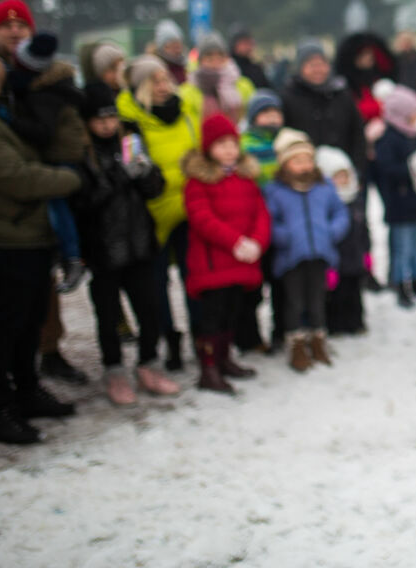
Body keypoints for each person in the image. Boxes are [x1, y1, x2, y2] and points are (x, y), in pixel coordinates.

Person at [0, 30, 82, 444]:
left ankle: (27, 391)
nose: (3, 64)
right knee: (3, 326)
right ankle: (0, 411)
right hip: (6, 236)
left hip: (28, 232)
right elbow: (17, 177)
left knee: (29, 321)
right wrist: (69, 179)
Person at [73, 82, 181, 404]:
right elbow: (84, 199)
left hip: (139, 243)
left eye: (111, 118)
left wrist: (146, 174)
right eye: (99, 119)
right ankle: (114, 370)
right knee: (108, 316)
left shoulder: (131, 141)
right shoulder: (82, 152)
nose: (107, 125)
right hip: (103, 249)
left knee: (149, 309)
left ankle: (149, 364)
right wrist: (119, 177)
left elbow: (154, 190)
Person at [117, 55, 202, 371]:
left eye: (166, 79)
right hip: (151, 213)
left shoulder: (187, 112)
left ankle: (200, 334)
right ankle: (170, 338)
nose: (163, 87)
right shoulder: (130, 121)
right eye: (155, 81)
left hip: (190, 208)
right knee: (156, 284)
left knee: (194, 276)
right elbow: (132, 166)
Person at [181, 113, 270, 394]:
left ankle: (224, 358)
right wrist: (235, 242)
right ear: (208, 148)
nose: (229, 149)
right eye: (221, 144)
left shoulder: (246, 179)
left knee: (233, 312)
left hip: (242, 260)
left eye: (233, 143)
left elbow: (261, 214)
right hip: (214, 263)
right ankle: (208, 368)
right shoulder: (198, 182)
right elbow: (201, 218)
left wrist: (257, 242)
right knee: (213, 316)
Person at [9, 32, 88, 296]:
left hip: (60, 157)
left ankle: (72, 258)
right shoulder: (59, 83)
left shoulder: (44, 94)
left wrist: (10, 121)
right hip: (69, 153)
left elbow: (43, 132)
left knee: (58, 208)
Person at [264, 129, 349, 370]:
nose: (304, 165)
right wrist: (285, 237)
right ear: (285, 164)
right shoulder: (276, 191)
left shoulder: (324, 187)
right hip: (291, 256)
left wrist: (331, 232)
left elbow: (340, 212)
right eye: (297, 160)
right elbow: (271, 221)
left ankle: (318, 340)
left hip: (320, 253)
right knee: (294, 301)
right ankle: (296, 344)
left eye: (307, 159)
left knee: (317, 299)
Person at [374, 84, 416, 308]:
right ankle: (400, 284)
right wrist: (411, 169)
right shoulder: (389, 137)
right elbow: (385, 169)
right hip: (399, 201)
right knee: (402, 248)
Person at [238, 89, 284, 352]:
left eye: (275, 112)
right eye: (265, 113)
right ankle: (249, 337)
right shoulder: (244, 144)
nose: (271, 118)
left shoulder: (287, 142)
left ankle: (281, 331)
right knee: (253, 286)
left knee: (280, 284)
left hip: (281, 223)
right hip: (254, 224)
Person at [280, 39, 367, 177]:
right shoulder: (289, 96)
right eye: (312, 65)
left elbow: (357, 132)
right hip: (305, 173)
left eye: (322, 64)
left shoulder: (341, 93)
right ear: (300, 67)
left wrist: (358, 167)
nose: (318, 70)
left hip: (343, 172)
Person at [315, 145, 371, 335]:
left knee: (354, 292)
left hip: (355, 256)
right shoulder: (327, 203)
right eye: (336, 177)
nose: (342, 181)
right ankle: (336, 325)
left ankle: (356, 322)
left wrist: (367, 253)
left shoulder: (356, 200)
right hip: (336, 260)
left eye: (344, 176)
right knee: (336, 295)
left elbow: (364, 229)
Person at [182, 31, 253, 122]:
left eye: (220, 55)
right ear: (200, 60)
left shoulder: (244, 85)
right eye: (209, 56)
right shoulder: (188, 91)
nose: (215, 60)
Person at [336, 31, 396, 127]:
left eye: (370, 53)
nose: (368, 57)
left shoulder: (381, 76)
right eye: (363, 54)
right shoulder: (347, 84)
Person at [229, 25, 272, 91]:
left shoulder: (256, 69)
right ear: (234, 45)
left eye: (250, 43)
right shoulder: (227, 68)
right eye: (245, 43)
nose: (249, 47)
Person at [154, 19, 188, 85]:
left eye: (179, 46)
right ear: (162, 48)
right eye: (173, 46)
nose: (178, 50)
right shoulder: (156, 68)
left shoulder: (186, 67)